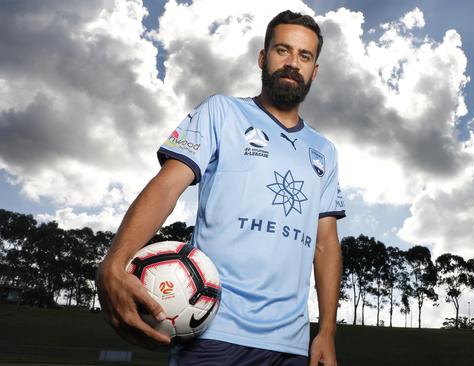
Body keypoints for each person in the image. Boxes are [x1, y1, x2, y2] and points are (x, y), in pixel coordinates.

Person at [96, 10, 346, 366]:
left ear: (314, 71)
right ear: (263, 57)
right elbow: (166, 187)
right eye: (282, 51)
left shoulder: (324, 151)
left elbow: (326, 244)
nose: (293, 63)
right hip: (213, 332)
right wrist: (115, 262)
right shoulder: (222, 112)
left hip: (291, 346)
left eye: (304, 56)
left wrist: (327, 331)